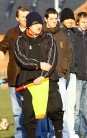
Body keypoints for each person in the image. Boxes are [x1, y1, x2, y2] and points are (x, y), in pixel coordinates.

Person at [14, 12, 63, 138]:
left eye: (40, 23)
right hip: (28, 81)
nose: (39, 26)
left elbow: (52, 59)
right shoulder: (20, 40)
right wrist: (39, 65)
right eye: (35, 24)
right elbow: (21, 59)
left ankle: (58, 134)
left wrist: (42, 76)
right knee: (29, 113)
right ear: (29, 26)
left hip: (47, 79)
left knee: (55, 108)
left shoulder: (49, 38)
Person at [0, 6, 30, 138]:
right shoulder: (11, 33)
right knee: (18, 111)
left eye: (27, 16)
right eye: (22, 16)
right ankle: (19, 136)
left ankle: (34, 135)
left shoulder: (36, 32)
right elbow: (2, 46)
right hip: (15, 77)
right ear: (17, 18)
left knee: (32, 110)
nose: (25, 19)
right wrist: (1, 52)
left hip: (31, 78)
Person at [43, 8, 72, 138]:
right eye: (51, 19)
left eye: (56, 18)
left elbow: (68, 55)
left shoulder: (62, 35)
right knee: (45, 108)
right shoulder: (41, 34)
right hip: (44, 78)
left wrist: (65, 73)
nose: (54, 21)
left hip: (60, 77)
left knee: (61, 107)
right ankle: (46, 134)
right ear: (46, 19)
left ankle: (62, 134)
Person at [73, 12, 87, 138]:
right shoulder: (74, 35)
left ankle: (85, 133)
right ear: (78, 22)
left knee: (85, 109)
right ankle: (74, 132)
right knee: (76, 109)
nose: (85, 24)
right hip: (78, 76)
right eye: (83, 21)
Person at [59, 8, 79, 138]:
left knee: (72, 103)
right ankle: (61, 131)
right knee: (62, 105)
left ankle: (70, 131)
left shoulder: (73, 33)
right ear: (62, 20)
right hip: (62, 73)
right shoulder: (59, 33)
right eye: (68, 19)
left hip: (73, 72)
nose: (70, 21)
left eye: (72, 19)